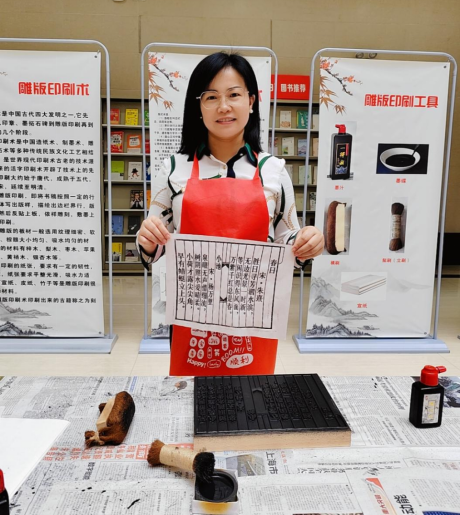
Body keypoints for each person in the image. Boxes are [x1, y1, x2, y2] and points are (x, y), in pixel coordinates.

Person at [137, 52, 324, 376]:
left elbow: (287, 240)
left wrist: (307, 241)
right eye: (211, 97)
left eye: (234, 94)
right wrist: (148, 239)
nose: (224, 106)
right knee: (192, 401)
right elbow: (153, 244)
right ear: (198, 106)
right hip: (192, 317)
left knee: (253, 399)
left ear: (251, 101)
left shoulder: (273, 171)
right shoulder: (174, 169)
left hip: (253, 314)